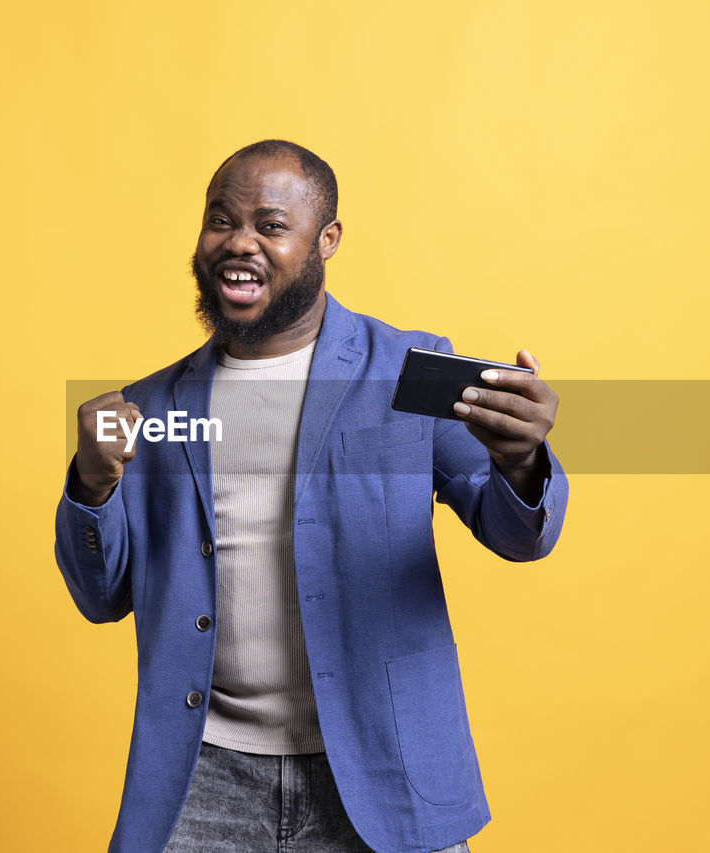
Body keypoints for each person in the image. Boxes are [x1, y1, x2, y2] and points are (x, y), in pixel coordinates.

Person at [55, 140, 568, 853]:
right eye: (220, 219)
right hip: (202, 776)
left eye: (270, 225)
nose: (239, 243)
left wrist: (520, 461)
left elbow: (519, 535)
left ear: (326, 240)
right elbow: (100, 595)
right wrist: (91, 483)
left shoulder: (410, 373)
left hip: (382, 768)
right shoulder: (152, 408)